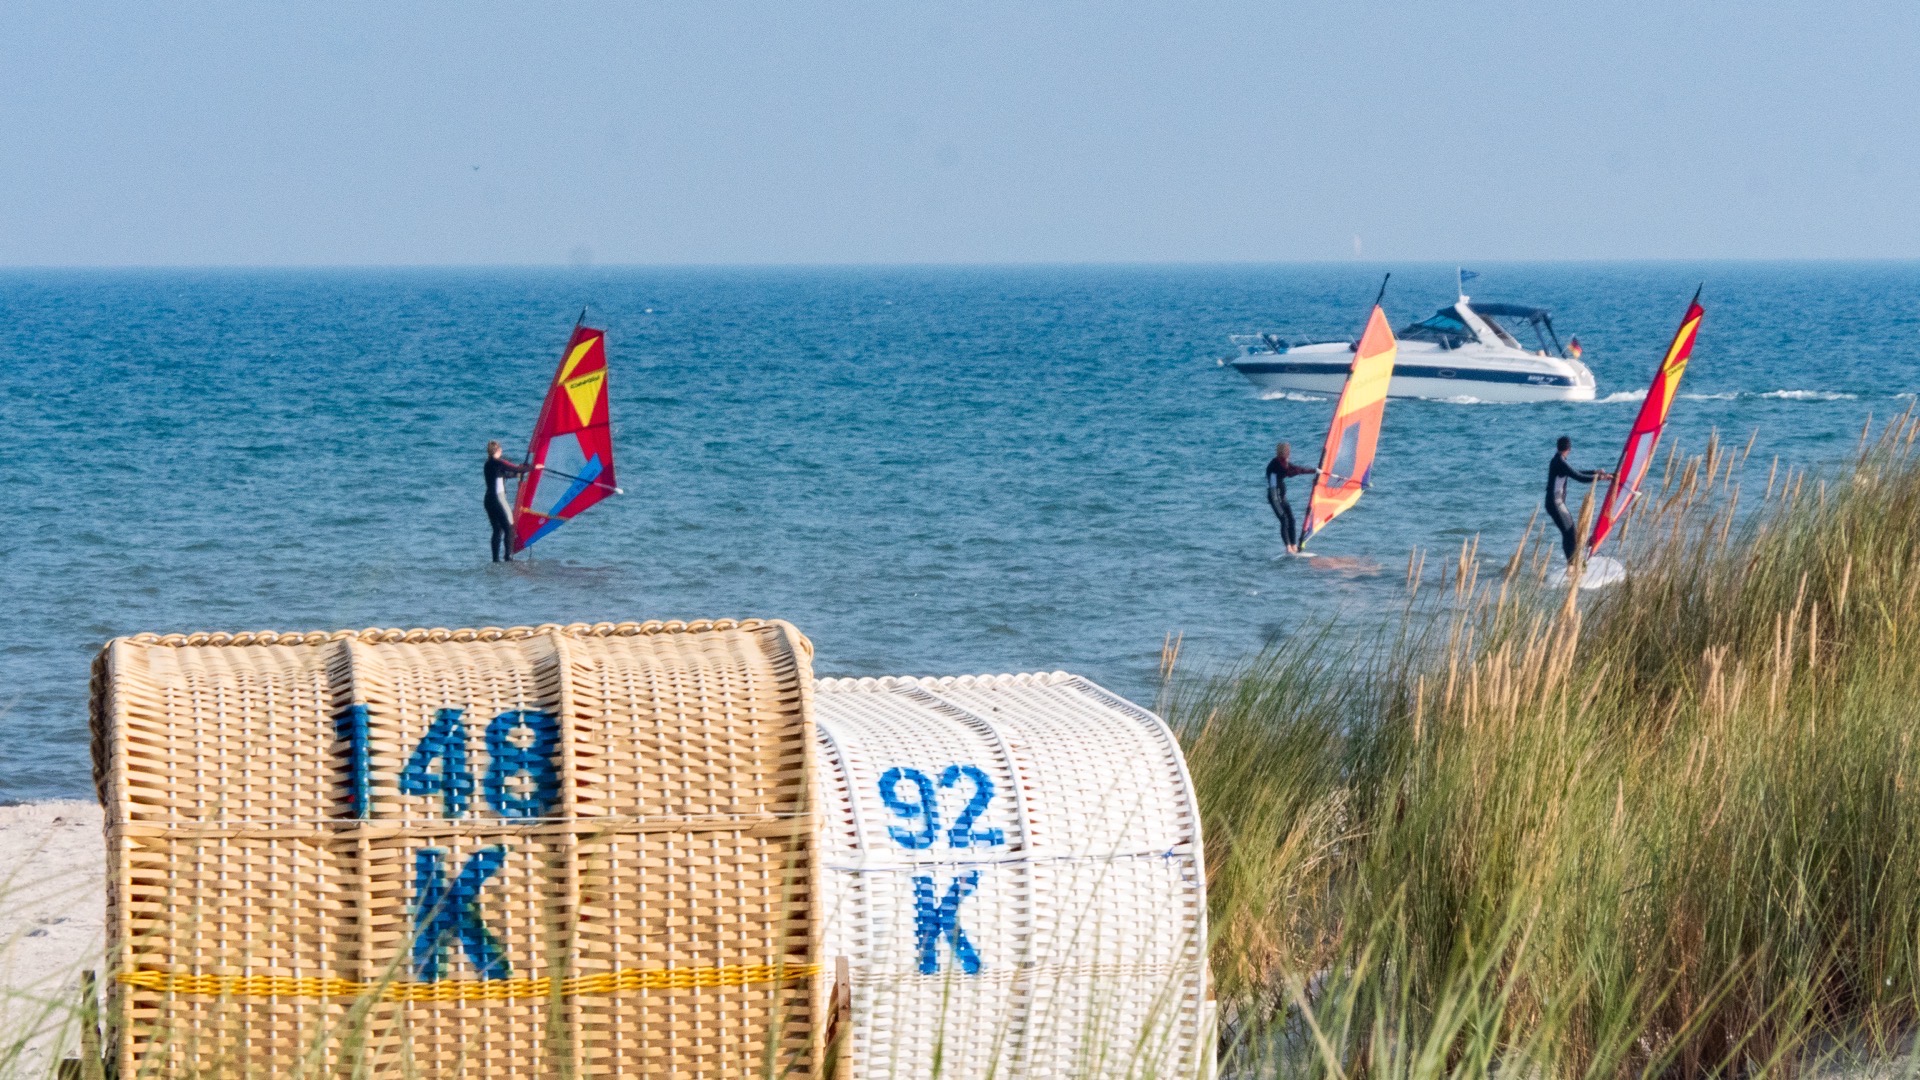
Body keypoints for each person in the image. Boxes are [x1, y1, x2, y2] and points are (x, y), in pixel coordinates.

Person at [1545, 436, 1610, 563]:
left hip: (1553, 502)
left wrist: (1595, 472)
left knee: (1569, 533)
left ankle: (1572, 563)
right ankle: (1573, 564)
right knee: (1570, 533)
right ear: (1569, 448)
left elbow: (1574, 472)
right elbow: (1578, 477)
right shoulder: (1560, 462)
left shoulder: (1558, 460)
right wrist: (1600, 478)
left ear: (1558, 447)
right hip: (1555, 503)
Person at [1265, 441, 1317, 553]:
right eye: (1287, 451)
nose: (1289, 453)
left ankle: (1294, 546)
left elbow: (1297, 468)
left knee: (1291, 520)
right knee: (1284, 519)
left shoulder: (1283, 462)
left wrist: (1314, 471)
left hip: (1282, 497)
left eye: (1288, 451)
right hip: (1274, 497)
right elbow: (1290, 472)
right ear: (1282, 452)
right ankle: (1288, 548)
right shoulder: (1276, 463)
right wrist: (1307, 472)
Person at [484, 440, 532, 562]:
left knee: (497, 530)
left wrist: (517, 473)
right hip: (498, 499)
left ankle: (495, 560)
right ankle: (508, 558)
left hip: (488, 500)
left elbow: (505, 474)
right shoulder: (498, 462)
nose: (502, 451)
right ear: (498, 450)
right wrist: (533, 467)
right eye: (501, 449)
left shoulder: (488, 464)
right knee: (509, 527)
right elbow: (515, 468)